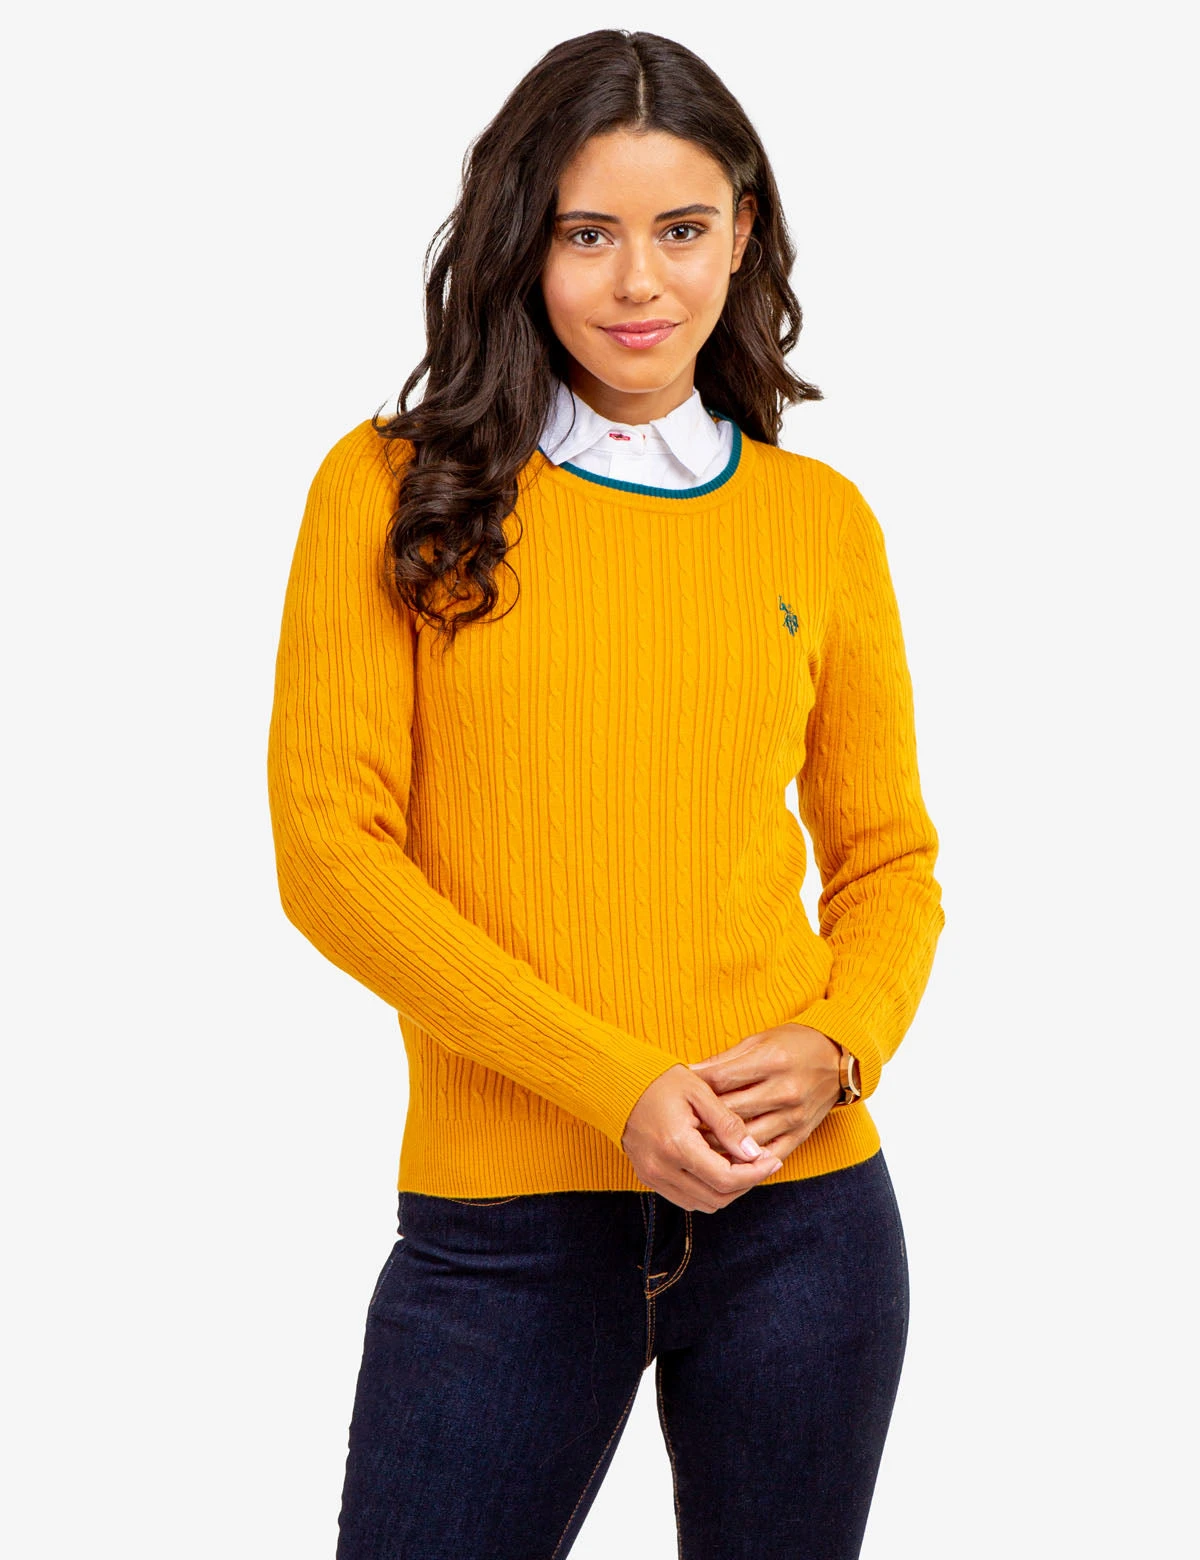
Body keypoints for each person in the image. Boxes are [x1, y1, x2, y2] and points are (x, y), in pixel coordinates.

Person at [266, 28, 945, 1560]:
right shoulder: (387, 488)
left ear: (742, 235)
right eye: (588, 234)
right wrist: (614, 1086)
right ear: (524, 241)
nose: (640, 282)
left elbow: (889, 862)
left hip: (803, 1222)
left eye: (681, 229)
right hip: (504, 1239)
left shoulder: (819, 521)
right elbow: (331, 856)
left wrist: (842, 1042)